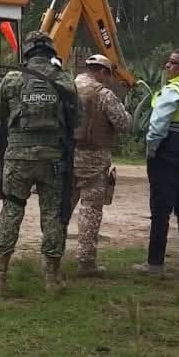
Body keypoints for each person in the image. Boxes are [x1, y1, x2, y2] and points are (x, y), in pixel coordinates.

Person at [0, 30, 79, 294]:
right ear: (51, 52)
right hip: (53, 160)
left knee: (11, 211)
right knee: (52, 215)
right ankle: (52, 278)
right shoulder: (64, 80)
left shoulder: (13, 79)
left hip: (17, 159)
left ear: (26, 52)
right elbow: (76, 121)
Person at [132, 47, 179, 279]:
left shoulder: (174, 89)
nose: (167, 66)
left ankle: (155, 264)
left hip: (168, 155)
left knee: (160, 210)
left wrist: (151, 151)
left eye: (173, 63)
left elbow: (158, 126)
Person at [70, 54, 132, 277]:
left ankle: (51, 258)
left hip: (67, 158)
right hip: (94, 160)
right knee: (90, 211)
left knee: (60, 211)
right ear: (103, 72)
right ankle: (86, 263)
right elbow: (123, 124)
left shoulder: (67, 89)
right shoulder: (104, 95)